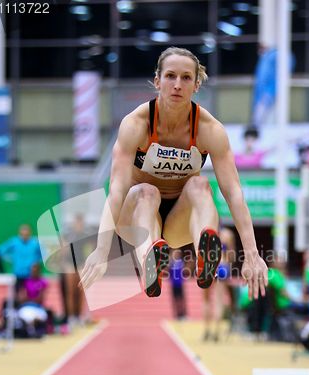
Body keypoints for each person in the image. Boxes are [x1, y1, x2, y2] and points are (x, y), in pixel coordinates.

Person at [80, 47, 268, 301]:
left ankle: (205, 253)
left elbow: (234, 192)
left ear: (196, 84)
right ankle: (150, 260)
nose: (177, 84)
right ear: (158, 81)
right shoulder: (136, 124)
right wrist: (101, 250)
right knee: (146, 191)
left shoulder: (209, 129)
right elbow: (116, 190)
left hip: (181, 219)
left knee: (200, 184)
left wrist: (252, 253)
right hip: (138, 217)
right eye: (170, 76)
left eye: (186, 78)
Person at [202, 227, 236, 341]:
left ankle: (207, 330)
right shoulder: (227, 234)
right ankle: (216, 331)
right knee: (219, 300)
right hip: (222, 265)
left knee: (206, 300)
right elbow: (232, 255)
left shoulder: (205, 233)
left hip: (208, 265)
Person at [0, 224, 42, 292]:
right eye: (22, 233)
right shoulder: (14, 242)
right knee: (18, 296)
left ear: (30, 233)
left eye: (26, 233)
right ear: (19, 233)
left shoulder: (35, 243)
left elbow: (42, 255)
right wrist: (11, 258)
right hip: (18, 274)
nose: (24, 235)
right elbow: (0, 251)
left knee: (31, 295)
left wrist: (36, 262)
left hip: (31, 275)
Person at [169, 248, 187, 320]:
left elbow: (184, 271)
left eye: (178, 253)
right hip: (173, 285)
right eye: (175, 253)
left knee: (182, 300)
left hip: (180, 284)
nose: (177, 254)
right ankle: (177, 314)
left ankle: (183, 314)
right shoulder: (171, 263)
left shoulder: (181, 262)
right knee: (175, 300)